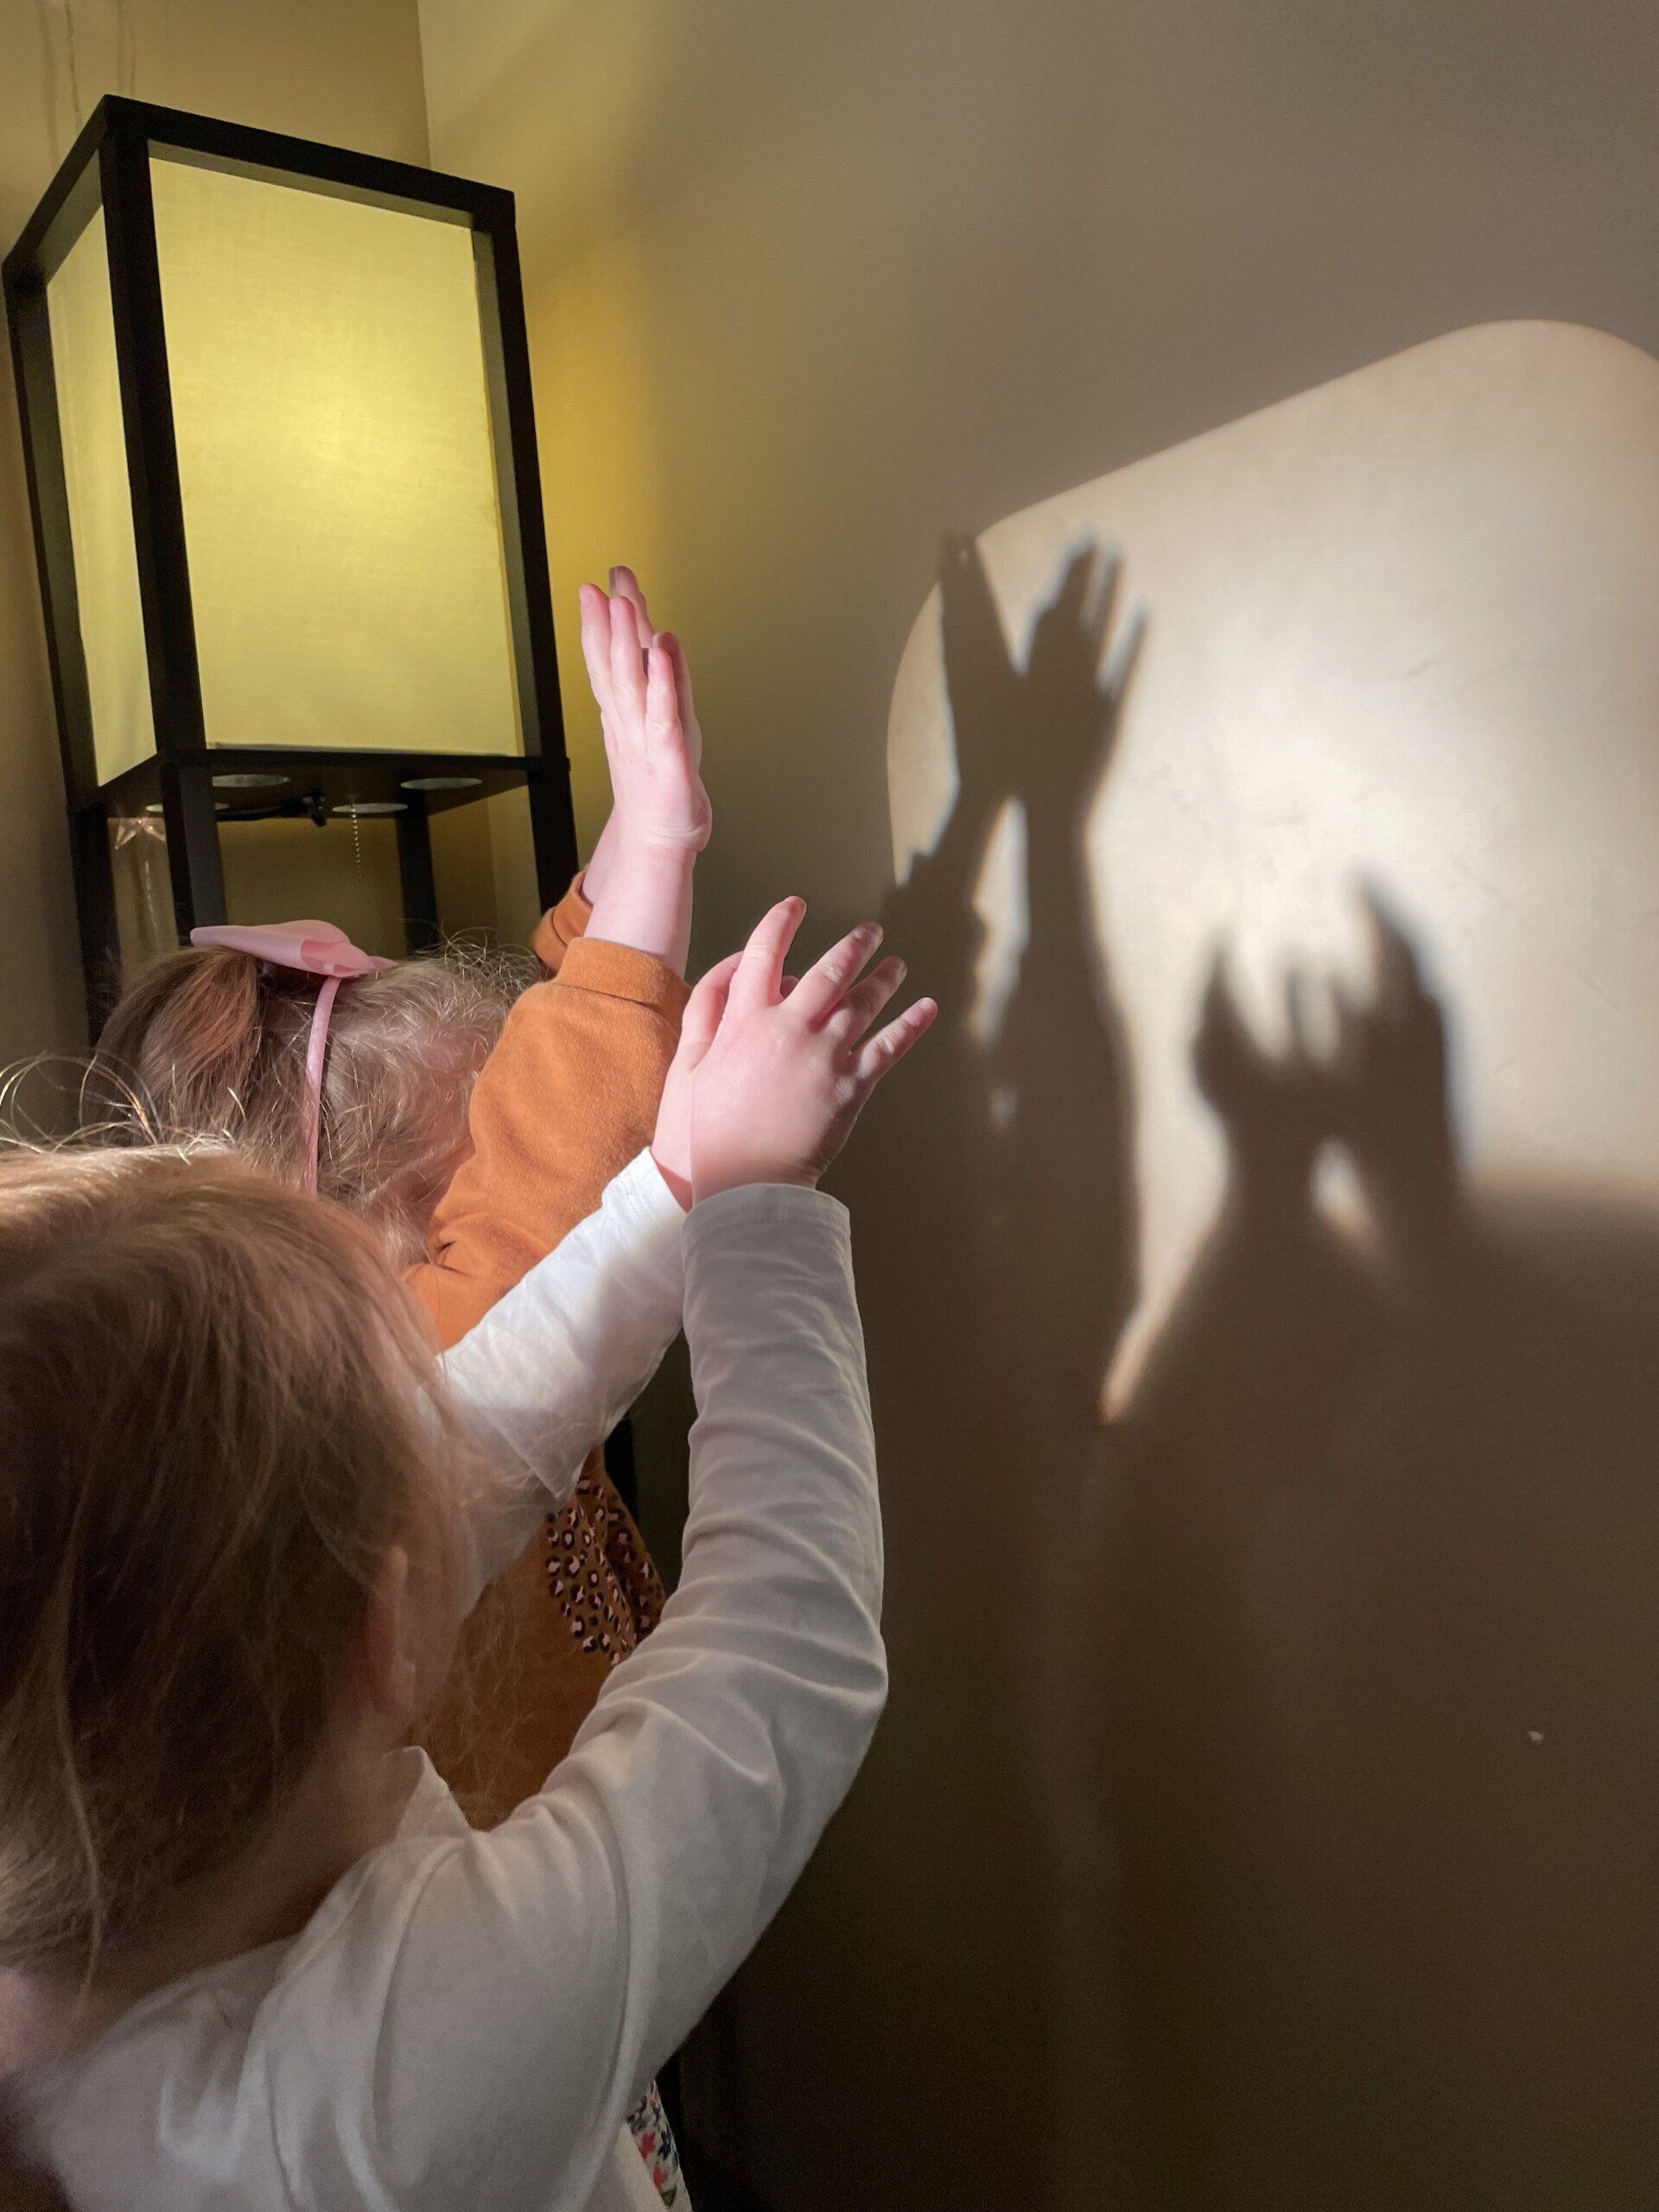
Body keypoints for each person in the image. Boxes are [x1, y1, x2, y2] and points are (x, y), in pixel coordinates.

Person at [0, 896, 937, 2212]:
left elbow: (472, 1429)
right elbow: (781, 1646)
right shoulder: (373, 2099)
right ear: (380, 1634)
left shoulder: (52, 1951)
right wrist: (758, 1212)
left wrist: (676, 1186)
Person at [92, 569, 709, 1821]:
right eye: (475, 1157)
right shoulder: (399, 1380)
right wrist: (657, 842)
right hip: (526, 1864)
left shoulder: (394, 1295)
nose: (512, 1140)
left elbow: (556, 1053)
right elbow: (544, 1183)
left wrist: (625, 863)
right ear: (352, 1223)